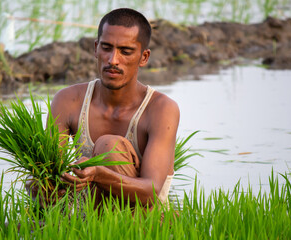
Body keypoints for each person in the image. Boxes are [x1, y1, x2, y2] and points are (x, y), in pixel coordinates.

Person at [29, 8, 180, 208]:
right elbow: (48, 171)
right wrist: (45, 187)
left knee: (109, 146)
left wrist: (99, 174)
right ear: (95, 48)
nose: (113, 60)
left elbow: (150, 192)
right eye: (106, 48)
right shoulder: (68, 100)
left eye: (125, 51)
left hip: (143, 221)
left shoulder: (161, 109)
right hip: (84, 217)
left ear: (144, 57)